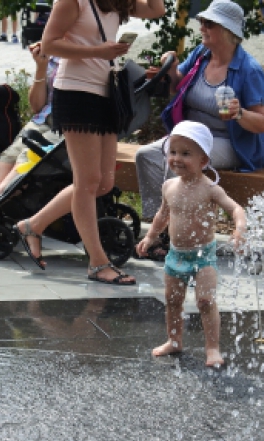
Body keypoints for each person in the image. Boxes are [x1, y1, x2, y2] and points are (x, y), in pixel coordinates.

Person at [12, 0, 165, 281]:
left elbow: (157, 10)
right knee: (87, 182)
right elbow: (49, 43)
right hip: (77, 93)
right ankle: (97, 263)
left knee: (103, 183)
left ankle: (33, 225)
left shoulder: (116, 2)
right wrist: (98, 51)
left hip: (107, 94)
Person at [135, 0, 264, 257]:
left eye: (209, 23)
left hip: (228, 141)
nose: (202, 26)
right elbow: (177, 87)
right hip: (192, 136)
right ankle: (159, 229)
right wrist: (172, 69)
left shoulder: (249, 70)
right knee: (146, 155)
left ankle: (179, 235)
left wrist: (239, 113)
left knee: (178, 160)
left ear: (227, 30)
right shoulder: (201, 55)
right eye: (202, 21)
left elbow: (262, 122)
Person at [136, 121, 246, 367]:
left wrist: (239, 229)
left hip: (203, 256)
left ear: (203, 161)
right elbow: (162, 216)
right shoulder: (169, 186)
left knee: (205, 301)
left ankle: (213, 348)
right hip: (176, 255)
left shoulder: (210, 189)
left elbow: (235, 208)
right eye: (173, 152)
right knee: (173, 300)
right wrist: (150, 237)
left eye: (186, 154)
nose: (177, 158)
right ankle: (174, 341)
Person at [0, 42, 61, 199]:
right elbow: (37, 106)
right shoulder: (54, 55)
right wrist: (41, 67)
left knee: (28, 155)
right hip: (43, 119)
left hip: (66, 124)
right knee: (10, 156)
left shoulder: (86, 54)